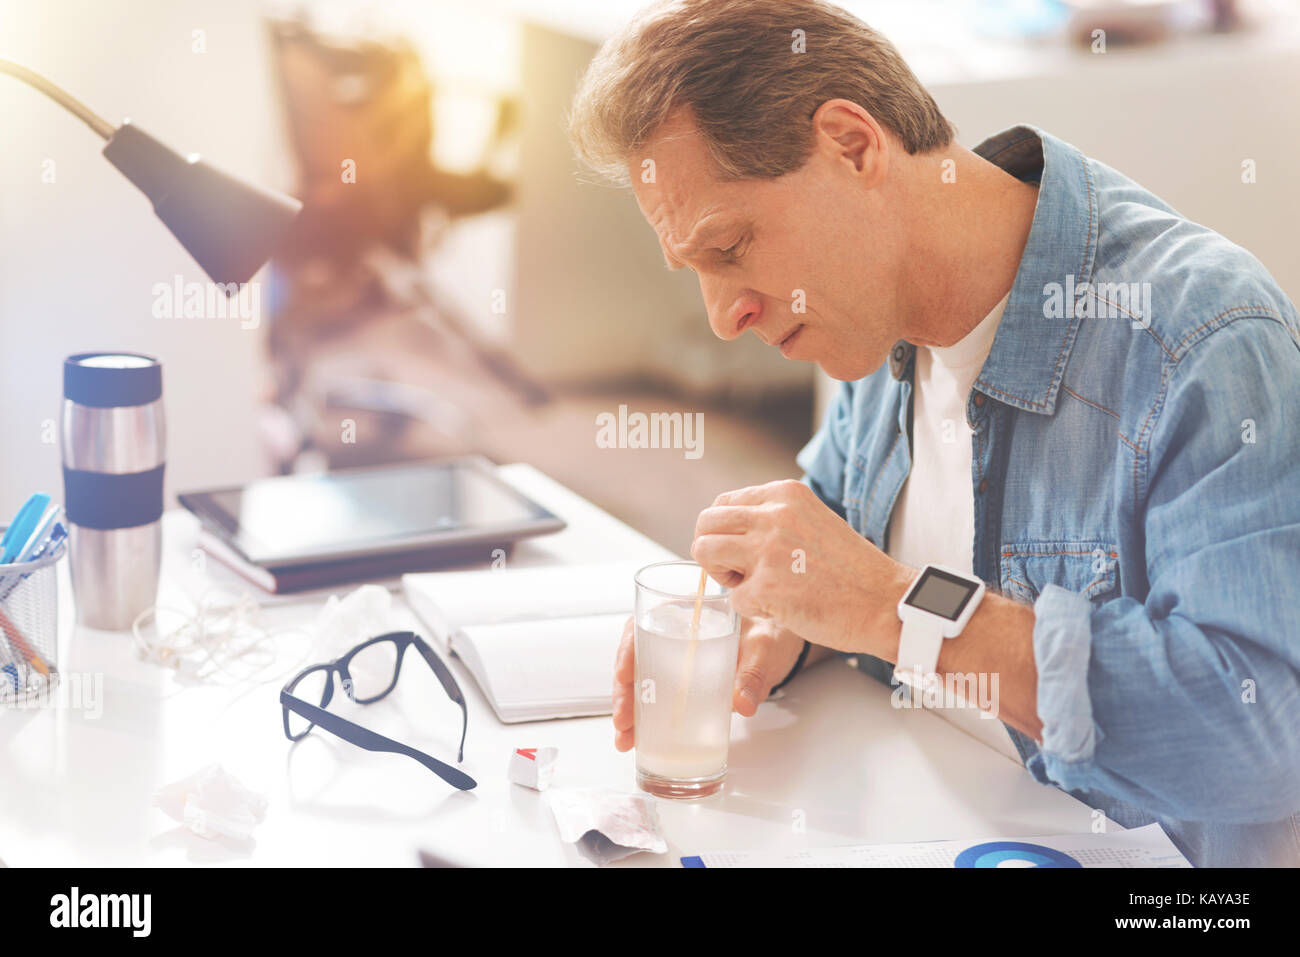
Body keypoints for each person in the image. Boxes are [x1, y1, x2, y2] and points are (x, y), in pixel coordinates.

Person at [568, 0, 1300, 867]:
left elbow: (1262, 734)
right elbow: (837, 531)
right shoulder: (874, 321)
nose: (724, 318)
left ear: (852, 144)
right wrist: (778, 621)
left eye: (728, 247)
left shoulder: (1199, 339)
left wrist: (894, 608)